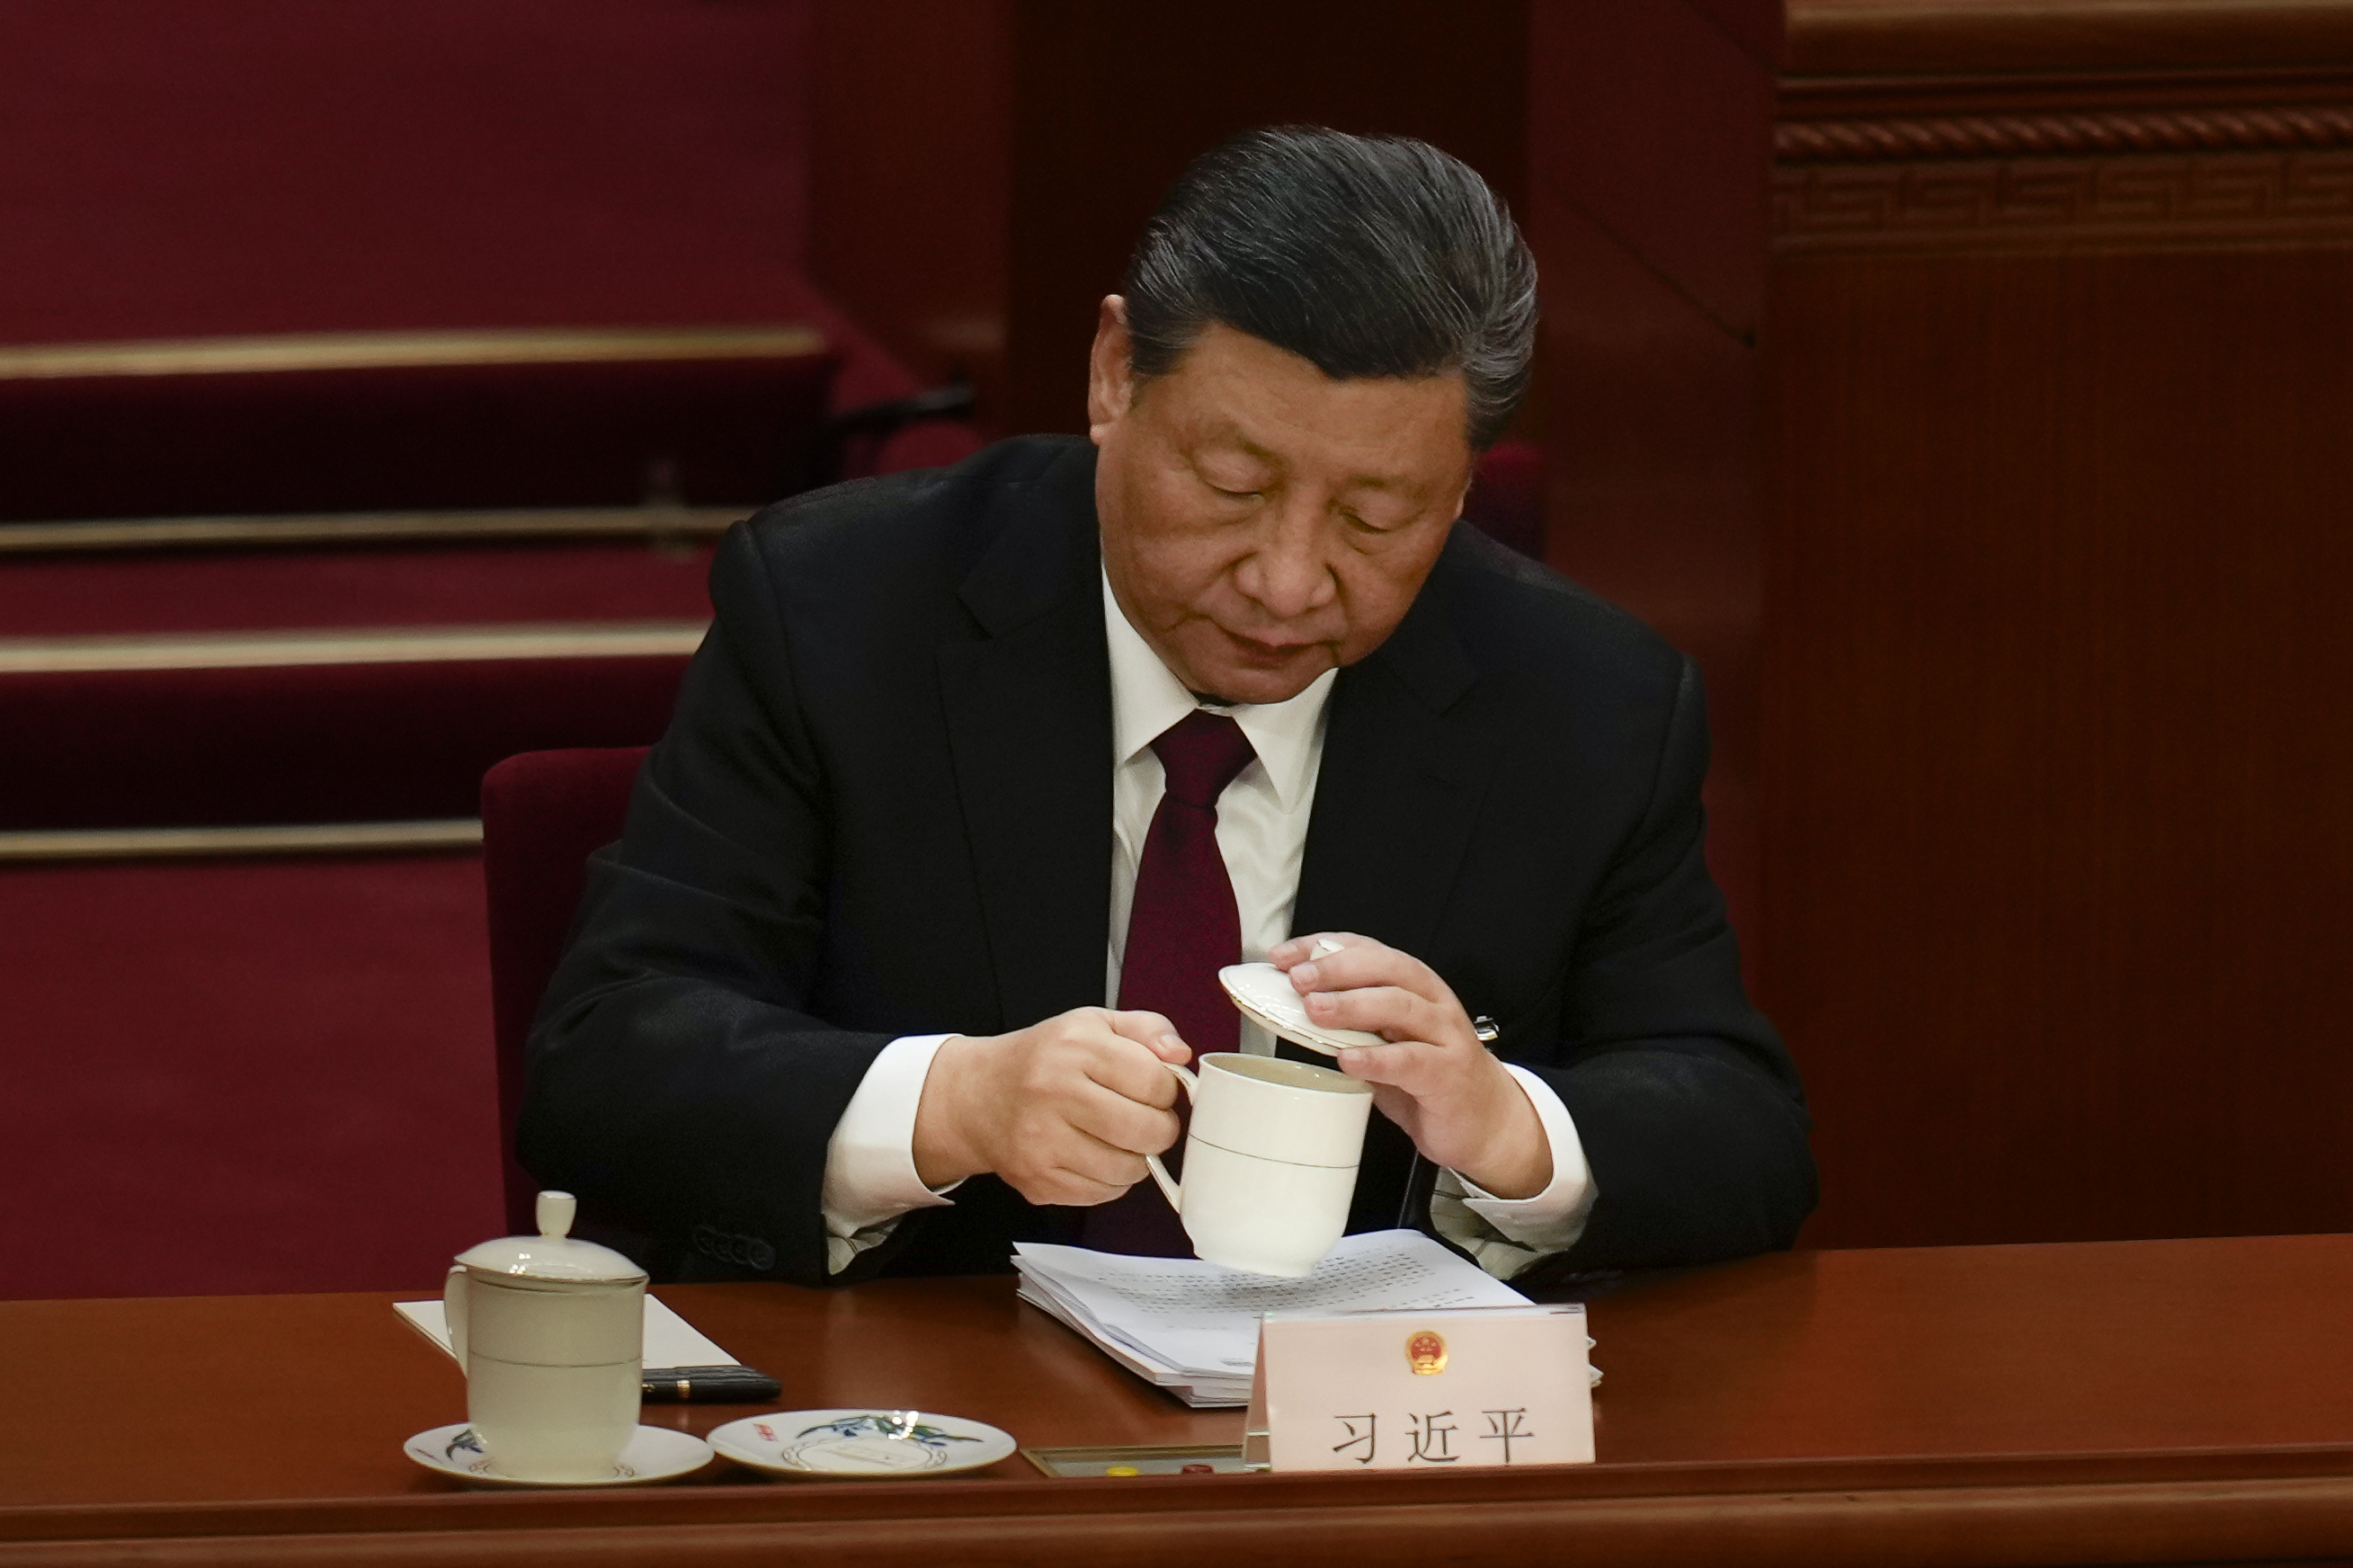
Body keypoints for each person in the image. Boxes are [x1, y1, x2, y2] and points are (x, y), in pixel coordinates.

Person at [518, 127, 1814, 1288]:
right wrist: (950, 1105)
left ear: (1464, 485)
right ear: (1112, 372)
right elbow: (607, 1060)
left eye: (1378, 516)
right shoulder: (843, 610)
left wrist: (1508, 1129)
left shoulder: (1582, 703)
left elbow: (1737, 1128)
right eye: (1234, 485)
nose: (1291, 579)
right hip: (934, 1430)